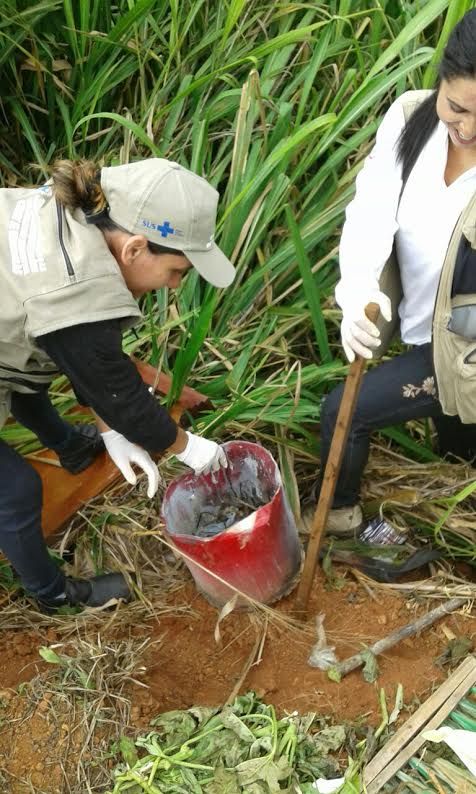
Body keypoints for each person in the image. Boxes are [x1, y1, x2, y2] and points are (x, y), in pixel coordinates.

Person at [0, 157, 235, 610]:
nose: (172, 285)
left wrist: (110, 432)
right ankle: (56, 595)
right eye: (175, 272)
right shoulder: (76, 286)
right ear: (134, 249)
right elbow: (122, 397)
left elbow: (72, 358)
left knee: (29, 368)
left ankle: (70, 446)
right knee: (15, 491)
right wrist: (189, 448)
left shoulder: (72, 215)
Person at [317, 9, 476, 537]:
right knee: (458, 449)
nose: (467, 129)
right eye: (456, 107)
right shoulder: (411, 119)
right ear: (440, 82)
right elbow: (369, 212)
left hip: (465, 347)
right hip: (415, 327)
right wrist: (357, 289)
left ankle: (338, 519)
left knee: (346, 410)